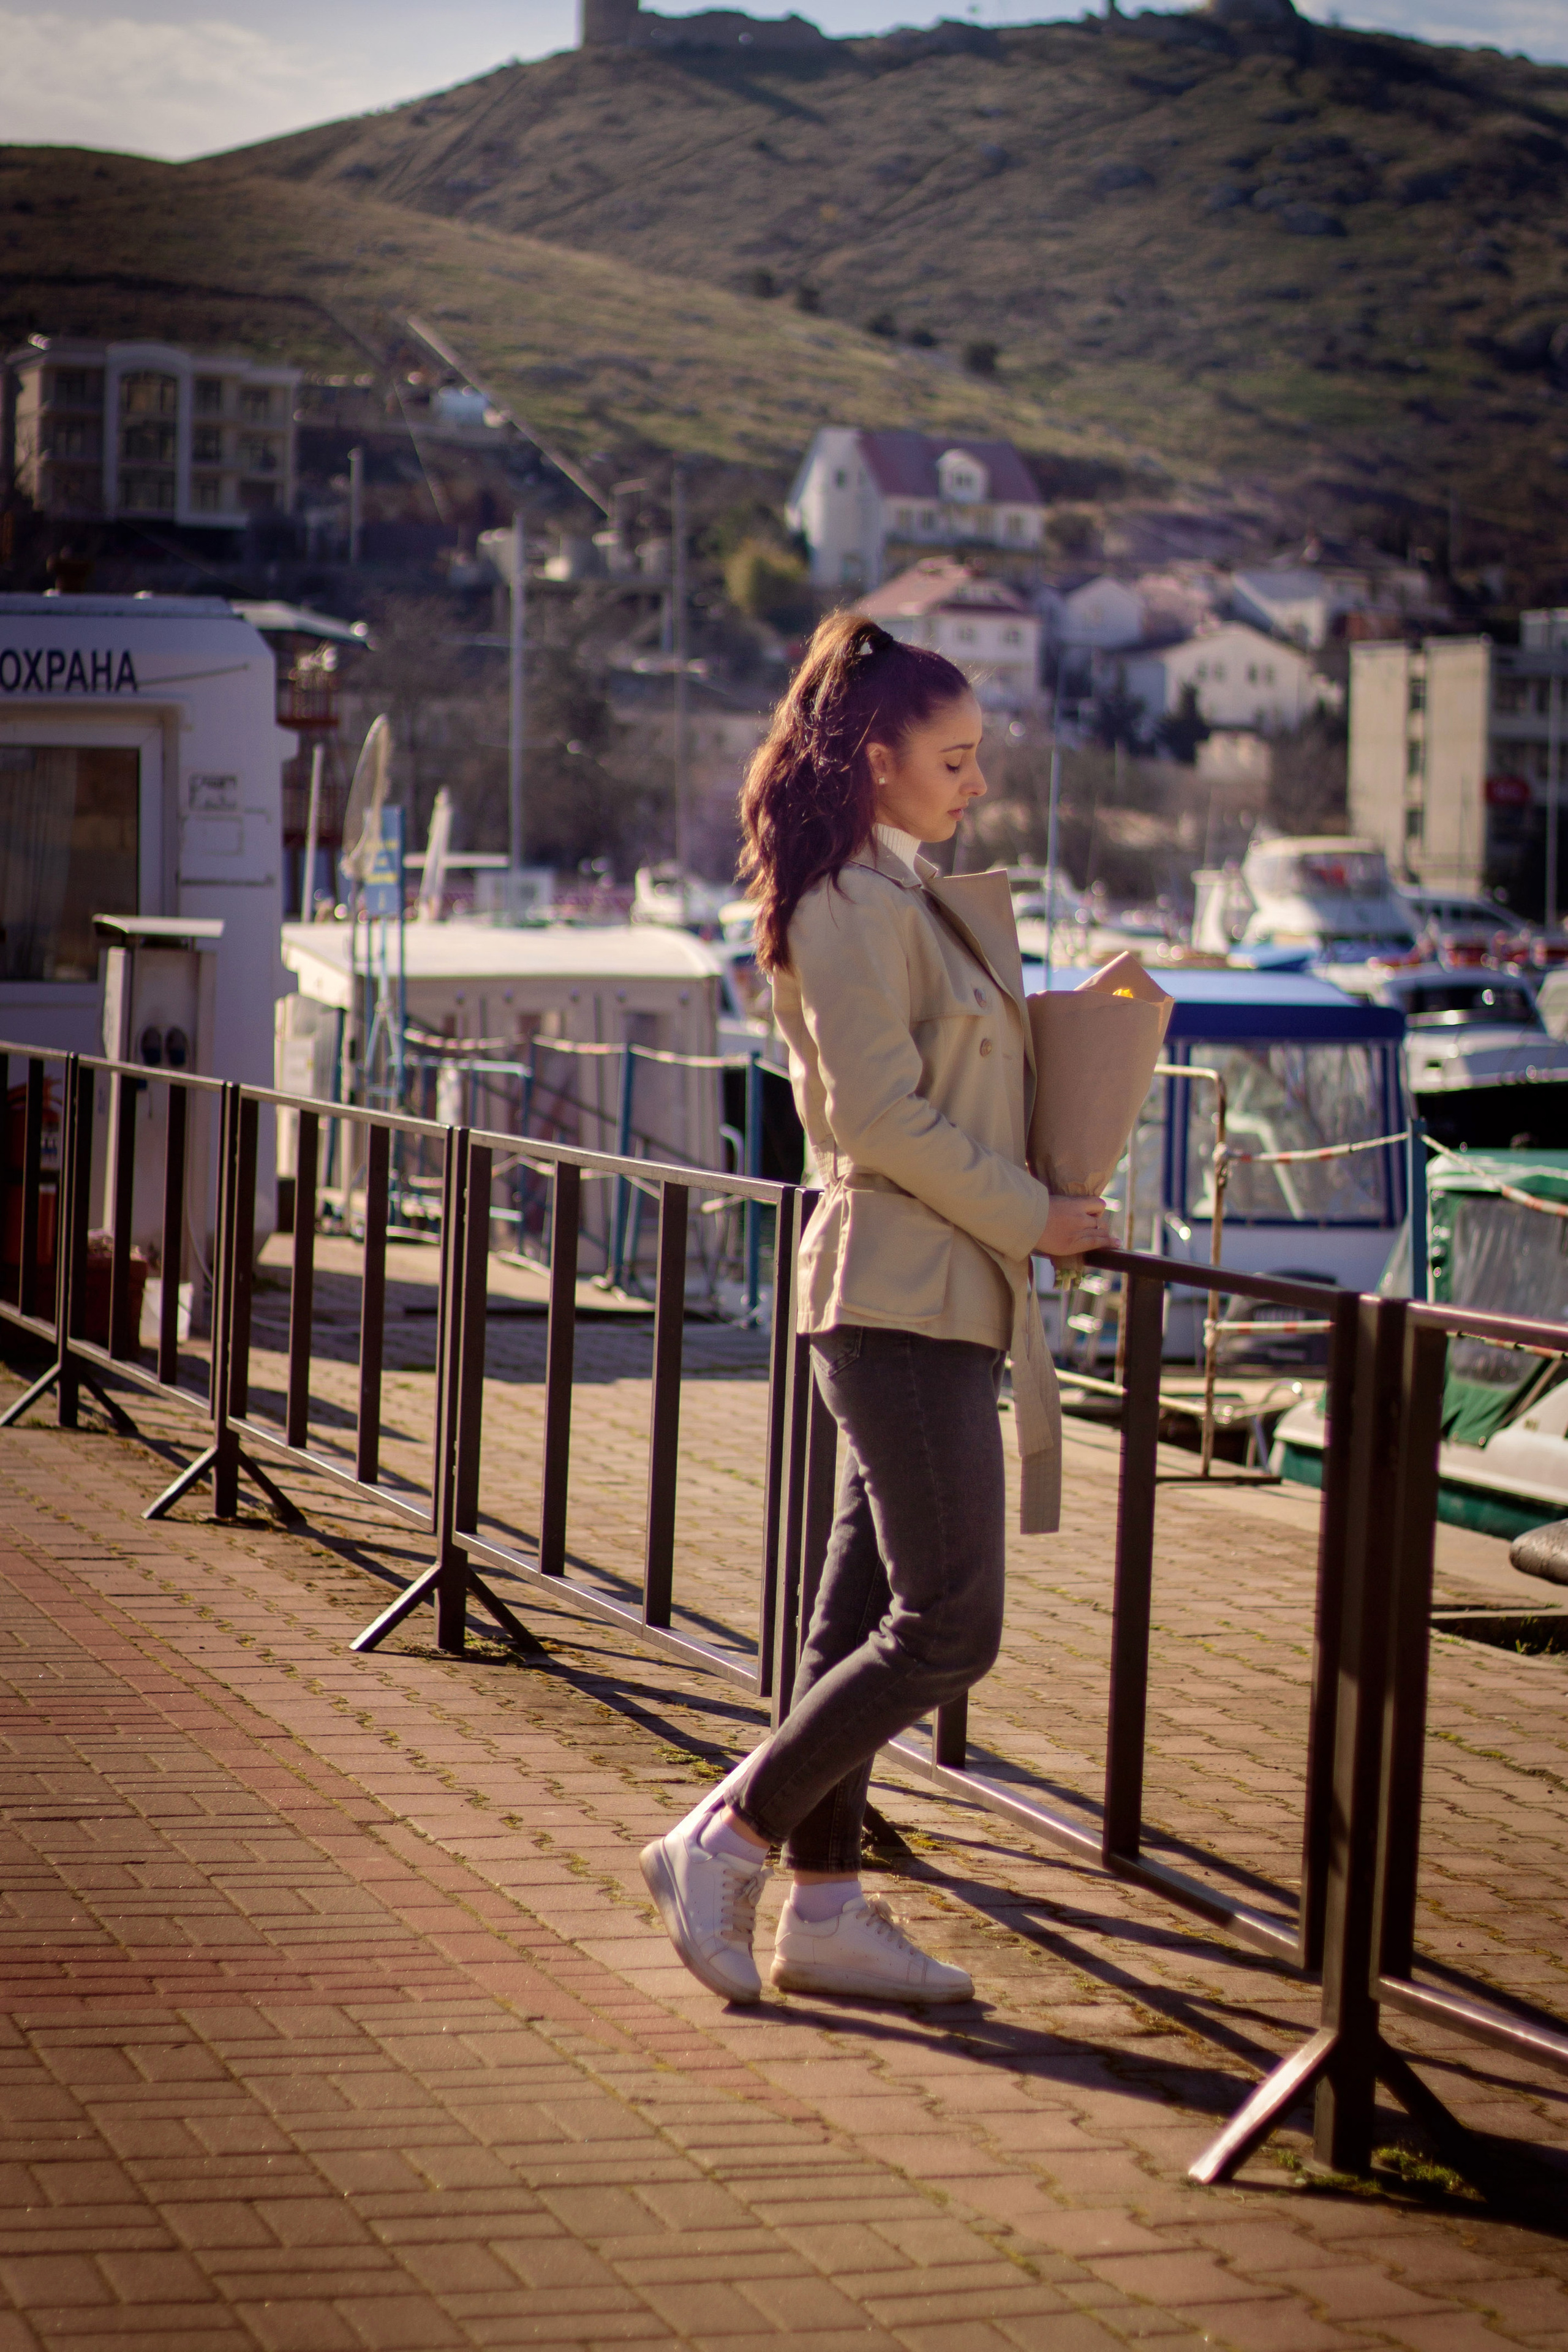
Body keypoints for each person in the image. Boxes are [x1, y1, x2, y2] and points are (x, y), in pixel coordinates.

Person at [640, 614, 1106, 2005]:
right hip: (895, 1297)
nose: (975, 785)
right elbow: (878, 1117)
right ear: (878, 758)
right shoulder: (846, 905)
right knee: (952, 1621)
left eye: (977, 761)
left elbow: (948, 1095)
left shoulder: (901, 897)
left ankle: (824, 1912)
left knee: (852, 1629)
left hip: (937, 1293)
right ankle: (724, 1837)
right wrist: (1038, 1218)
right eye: (953, 761)